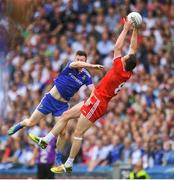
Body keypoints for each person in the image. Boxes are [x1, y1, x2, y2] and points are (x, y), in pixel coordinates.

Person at [29, 19, 138, 173]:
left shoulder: (120, 68)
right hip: (95, 99)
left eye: (125, 58)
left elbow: (118, 47)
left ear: (125, 63)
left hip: (98, 102)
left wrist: (126, 28)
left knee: (78, 133)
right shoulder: (128, 70)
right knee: (66, 115)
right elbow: (132, 49)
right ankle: (46, 140)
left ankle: (69, 163)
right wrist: (136, 29)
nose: (124, 57)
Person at [8, 50, 103, 166]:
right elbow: (77, 64)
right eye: (78, 59)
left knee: (63, 134)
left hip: (62, 105)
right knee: (31, 123)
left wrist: (92, 98)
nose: (79, 61)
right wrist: (93, 66)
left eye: (82, 60)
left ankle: (58, 156)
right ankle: (20, 124)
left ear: (85, 60)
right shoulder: (71, 65)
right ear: (75, 59)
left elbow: (93, 90)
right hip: (49, 100)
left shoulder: (86, 76)